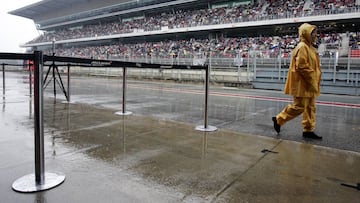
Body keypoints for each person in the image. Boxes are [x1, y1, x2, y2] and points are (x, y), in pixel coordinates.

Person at [272, 23, 322, 139]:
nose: (315, 35)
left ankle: (308, 130)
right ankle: (279, 119)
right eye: (313, 32)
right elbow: (302, 66)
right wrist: (312, 79)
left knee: (310, 107)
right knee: (299, 107)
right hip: (303, 83)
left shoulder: (310, 48)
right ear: (306, 34)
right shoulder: (302, 47)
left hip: (310, 82)